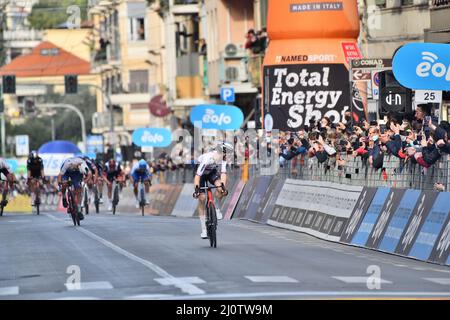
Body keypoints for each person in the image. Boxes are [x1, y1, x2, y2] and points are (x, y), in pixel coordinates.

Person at [192, 141, 232, 239]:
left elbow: (223, 174)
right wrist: (197, 190)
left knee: (220, 187)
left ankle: (217, 208)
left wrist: (223, 188)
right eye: (229, 153)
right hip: (200, 174)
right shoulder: (207, 158)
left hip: (211, 172)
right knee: (202, 198)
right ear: (223, 152)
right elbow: (197, 176)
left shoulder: (223, 159)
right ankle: (204, 230)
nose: (230, 155)